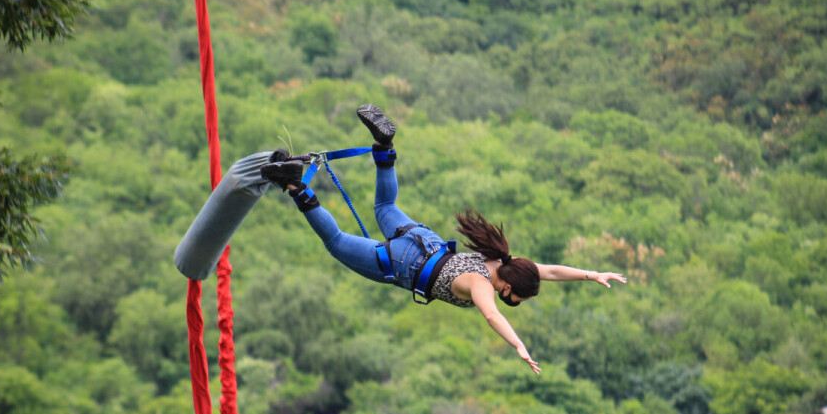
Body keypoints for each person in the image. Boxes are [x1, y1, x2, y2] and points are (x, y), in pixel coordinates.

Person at [262, 104, 626, 374]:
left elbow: (549, 271)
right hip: (404, 263)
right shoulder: (483, 284)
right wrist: (518, 344)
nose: (512, 301)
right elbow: (492, 316)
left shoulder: (502, 261)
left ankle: (384, 145)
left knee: (385, 204)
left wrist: (592, 274)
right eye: (515, 297)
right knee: (336, 242)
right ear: (508, 289)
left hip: (424, 240)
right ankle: (296, 184)